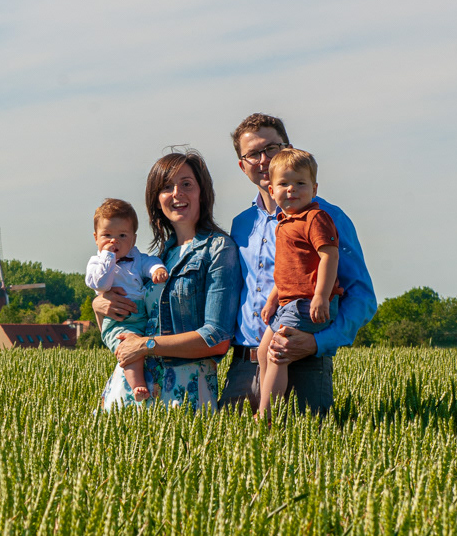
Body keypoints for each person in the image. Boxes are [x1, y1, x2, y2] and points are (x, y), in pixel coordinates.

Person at [220, 113, 376, 416]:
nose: (263, 160)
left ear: (288, 149)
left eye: (271, 148)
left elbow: (362, 297)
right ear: (242, 165)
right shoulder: (241, 224)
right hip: (243, 367)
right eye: (253, 154)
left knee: (307, 443)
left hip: (304, 362)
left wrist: (317, 343)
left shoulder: (327, 217)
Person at [94, 151, 241, 411]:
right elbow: (119, 334)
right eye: (166, 187)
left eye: (186, 184)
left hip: (183, 390)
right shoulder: (158, 256)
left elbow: (217, 338)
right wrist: (99, 307)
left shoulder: (219, 248)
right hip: (131, 390)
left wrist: (146, 345)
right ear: (157, 199)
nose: (176, 193)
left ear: (202, 192)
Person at [257, 148, 343, 419]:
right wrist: (272, 300)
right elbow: (286, 272)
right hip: (288, 303)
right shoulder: (283, 223)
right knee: (263, 351)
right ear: (272, 190)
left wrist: (321, 296)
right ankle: (267, 405)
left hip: (307, 303)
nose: (292, 189)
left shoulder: (315, 218)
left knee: (277, 354)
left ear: (314, 189)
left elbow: (330, 256)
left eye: (300, 183)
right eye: (284, 183)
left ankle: (266, 416)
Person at [86, 198, 169, 402]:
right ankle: (137, 385)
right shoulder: (96, 263)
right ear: (96, 238)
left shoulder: (136, 257)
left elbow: (149, 262)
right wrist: (108, 258)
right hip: (118, 321)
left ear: (133, 239)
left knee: (138, 345)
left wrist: (157, 269)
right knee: (129, 349)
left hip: (141, 316)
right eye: (107, 235)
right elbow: (101, 284)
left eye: (122, 236)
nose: (114, 241)